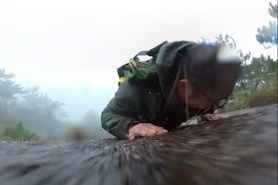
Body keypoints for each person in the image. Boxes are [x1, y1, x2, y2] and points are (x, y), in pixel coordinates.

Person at [101, 41, 242, 140]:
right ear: (185, 88)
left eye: (221, 100)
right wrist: (129, 126)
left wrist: (204, 113)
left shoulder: (200, 79)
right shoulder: (137, 88)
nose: (215, 105)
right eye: (213, 101)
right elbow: (108, 115)